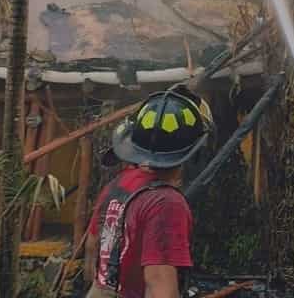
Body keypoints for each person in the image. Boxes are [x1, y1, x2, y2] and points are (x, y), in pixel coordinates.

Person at [84, 85, 214, 298]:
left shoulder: (118, 185)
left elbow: (91, 248)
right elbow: (159, 286)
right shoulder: (165, 203)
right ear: (194, 150)